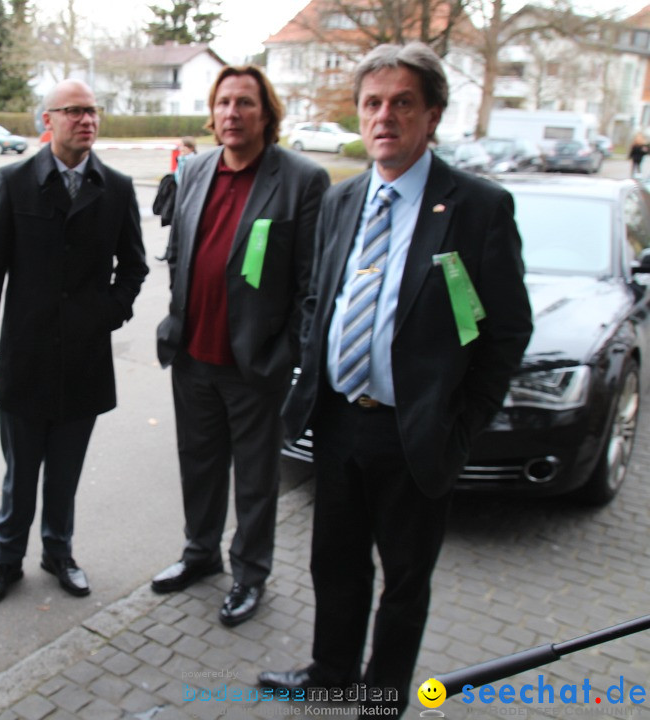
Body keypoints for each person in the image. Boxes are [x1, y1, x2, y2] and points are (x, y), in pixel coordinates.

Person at [257, 43, 533, 716]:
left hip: (417, 430)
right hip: (342, 420)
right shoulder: (342, 198)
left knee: (405, 580)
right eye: (372, 103)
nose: (385, 117)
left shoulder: (475, 207)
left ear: (431, 115)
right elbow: (320, 300)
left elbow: (502, 332)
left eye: (402, 103)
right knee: (336, 565)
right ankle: (330, 675)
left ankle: (381, 699)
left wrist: (461, 424)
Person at [151, 65, 330, 627]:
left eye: (245, 103)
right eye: (224, 102)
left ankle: (250, 574)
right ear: (214, 112)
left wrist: (286, 355)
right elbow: (180, 251)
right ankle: (200, 554)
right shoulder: (197, 168)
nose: (232, 113)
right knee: (198, 466)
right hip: (193, 354)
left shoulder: (302, 180)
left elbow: (312, 285)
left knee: (255, 479)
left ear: (266, 113)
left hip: (256, 364)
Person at [0, 79, 148, 609]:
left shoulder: (116, 186)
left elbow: (133, 267)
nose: (86, 120)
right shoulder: (15, 181)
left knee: (65, 473)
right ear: (49, 120)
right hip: (25, 356)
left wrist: (107, 313)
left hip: (85, 358)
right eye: (74, 111)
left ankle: (59, 554)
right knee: (21, 475)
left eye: (93, 111)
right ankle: (5, 562)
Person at [153, 137, 197, 261]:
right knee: (175, 225)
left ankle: (176, 252)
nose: (181, 149)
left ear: (190, 148)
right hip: (179, 197)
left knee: (181, 226)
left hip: (187, 199)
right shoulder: (182, 160)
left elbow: (185, 179)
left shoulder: (192, 161)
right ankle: (169, 252)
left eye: (183, 146)